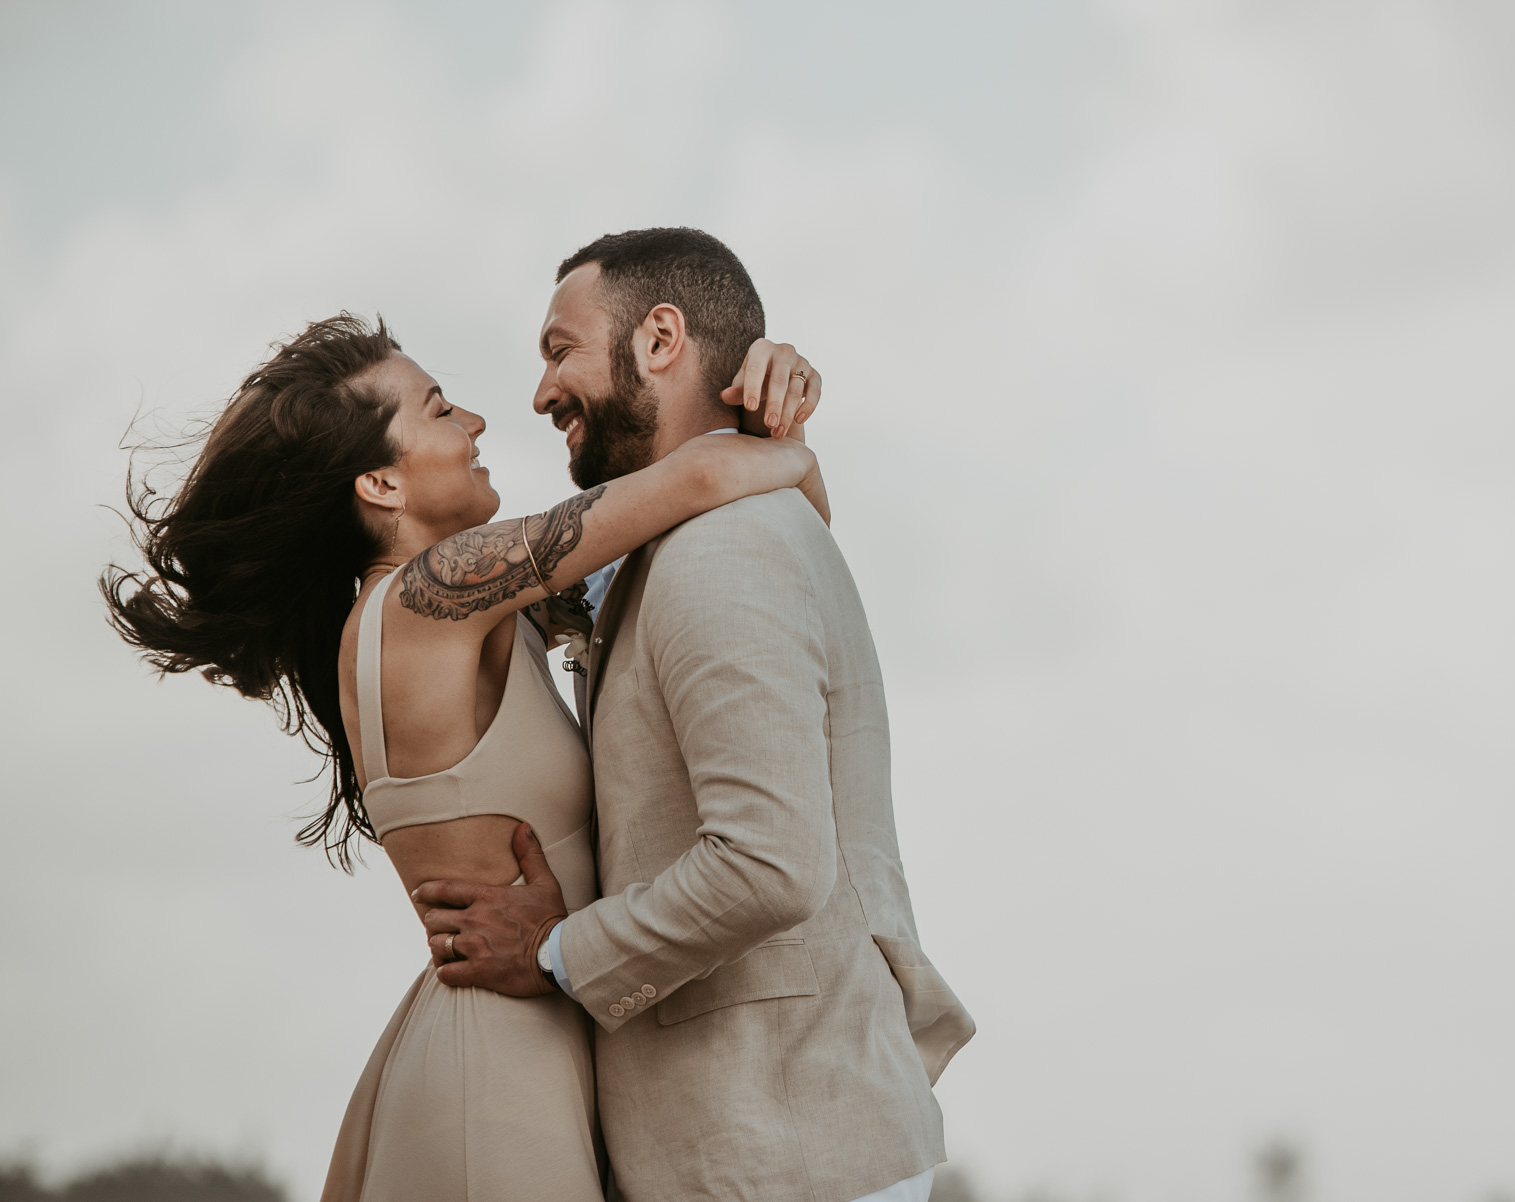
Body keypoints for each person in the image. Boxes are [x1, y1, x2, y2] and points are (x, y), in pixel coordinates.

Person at [102, 311, 826, 1200]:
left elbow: (752, 532)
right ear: (380, 482)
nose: (477, 423)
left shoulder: (462, 612)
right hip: (498, 1077)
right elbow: (715, 473)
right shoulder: (432, 594)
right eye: (440, 410)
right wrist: (784, 422)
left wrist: (772, 415)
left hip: (509, 1054)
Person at [412, 228, 976, 1202]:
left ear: (661, 337)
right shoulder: (701, 530)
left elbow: (770, 859)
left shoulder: (724, 550)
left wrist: (554, 951)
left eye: (559, 350)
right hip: (765, 1141)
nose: (541, 393)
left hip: (779, 1146)